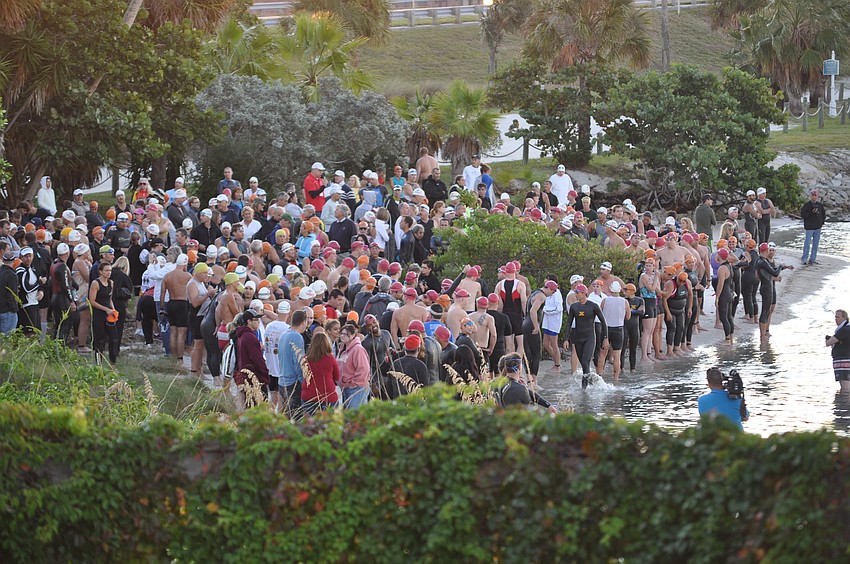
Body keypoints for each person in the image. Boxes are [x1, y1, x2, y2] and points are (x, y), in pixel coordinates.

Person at [564, 284, 607, 389]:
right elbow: (569, 323)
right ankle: (591, 384)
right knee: (584, 365)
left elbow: (603, 322)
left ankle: (584, 389)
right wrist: (566, 339)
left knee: (585, 361)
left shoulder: (593, 306)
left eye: (577, 293)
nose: (576, 295)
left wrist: (605, 338)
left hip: (589, 338)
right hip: (578, 338)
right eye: (575, 292)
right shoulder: (574, 307)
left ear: (583, 293)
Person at [234, 310, 271, 409]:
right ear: (249, 321)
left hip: (247, 377)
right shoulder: (250, 337)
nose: (258, 322)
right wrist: (265, 374)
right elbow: (257, 360)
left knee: (250, 407)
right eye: (256, 320)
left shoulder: (243, 335)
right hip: (254, 379)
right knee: (259, 408)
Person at [301, 331, 340, 415]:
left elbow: (304, 375)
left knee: (309, 425)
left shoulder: (306, 359)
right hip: (328, 395)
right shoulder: (330, 359)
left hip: (309, 395)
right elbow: (337, 376)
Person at [88, 262, 119, 364]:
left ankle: (113, 361)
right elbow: (92, 301)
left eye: (110, 270)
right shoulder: (95, 283)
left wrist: (113, 310)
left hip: (109, 313)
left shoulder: (111, 283)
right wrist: (106, 309)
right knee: (99, 339)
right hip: (98, 313)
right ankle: (98, 362)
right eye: (106, 270)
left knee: (113, 338)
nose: (108, 272)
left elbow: (110, 299)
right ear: (100, 272)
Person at [337, 324, 370, 409]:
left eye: (345, 334)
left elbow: (364, 369)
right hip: (345, 388)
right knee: (348, 417)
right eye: (341, 333)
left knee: (355, 417)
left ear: (352, 335)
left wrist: (353, 384)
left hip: (357, 389)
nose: (342, 336)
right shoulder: (342, 348)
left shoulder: (358, 349)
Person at [800, 189, 826, 266]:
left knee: (815, 244)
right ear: (810, 196)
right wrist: (811, 212)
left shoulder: (820, 206)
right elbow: (803, 215)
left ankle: (812, 259)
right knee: (807, 243)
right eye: (813, 195)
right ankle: (804, 259)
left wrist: (821, 223)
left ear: (817, 196)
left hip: (818, 227)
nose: (814, 197)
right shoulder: (806, 205)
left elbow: (823, 215)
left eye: (815, 195)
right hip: (809, 227)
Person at [827, 310, 850, 394]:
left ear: (844, 318)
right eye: (835, 317)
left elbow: (828, 343)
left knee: (845, 387)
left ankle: (843, 405)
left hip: (842, 361)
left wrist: (829, 339)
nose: (835, 319)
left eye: (838, 317)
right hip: (846, 359)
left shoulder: (843, 330)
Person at [0, 252, 20, 333]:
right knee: (8, 339)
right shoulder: (12, 275)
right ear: (14, 261)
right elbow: (11, 295)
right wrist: (15, 309)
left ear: (3, 260)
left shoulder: (1, 273)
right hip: (8, 311)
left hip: (1, 309)